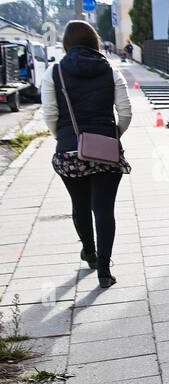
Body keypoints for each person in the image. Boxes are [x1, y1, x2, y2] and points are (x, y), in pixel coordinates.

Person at [41, 20, 131, 289]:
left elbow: (49, 114)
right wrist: (112, 137)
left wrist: (64, 138)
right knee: (103, 209)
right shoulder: (111, 70)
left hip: (69, 152)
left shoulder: (54, 72)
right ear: (95, 41)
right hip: (106, 150)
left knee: (79, 205)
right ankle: (105, 270)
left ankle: (89, 253)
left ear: (67, 44)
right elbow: (125, 113)